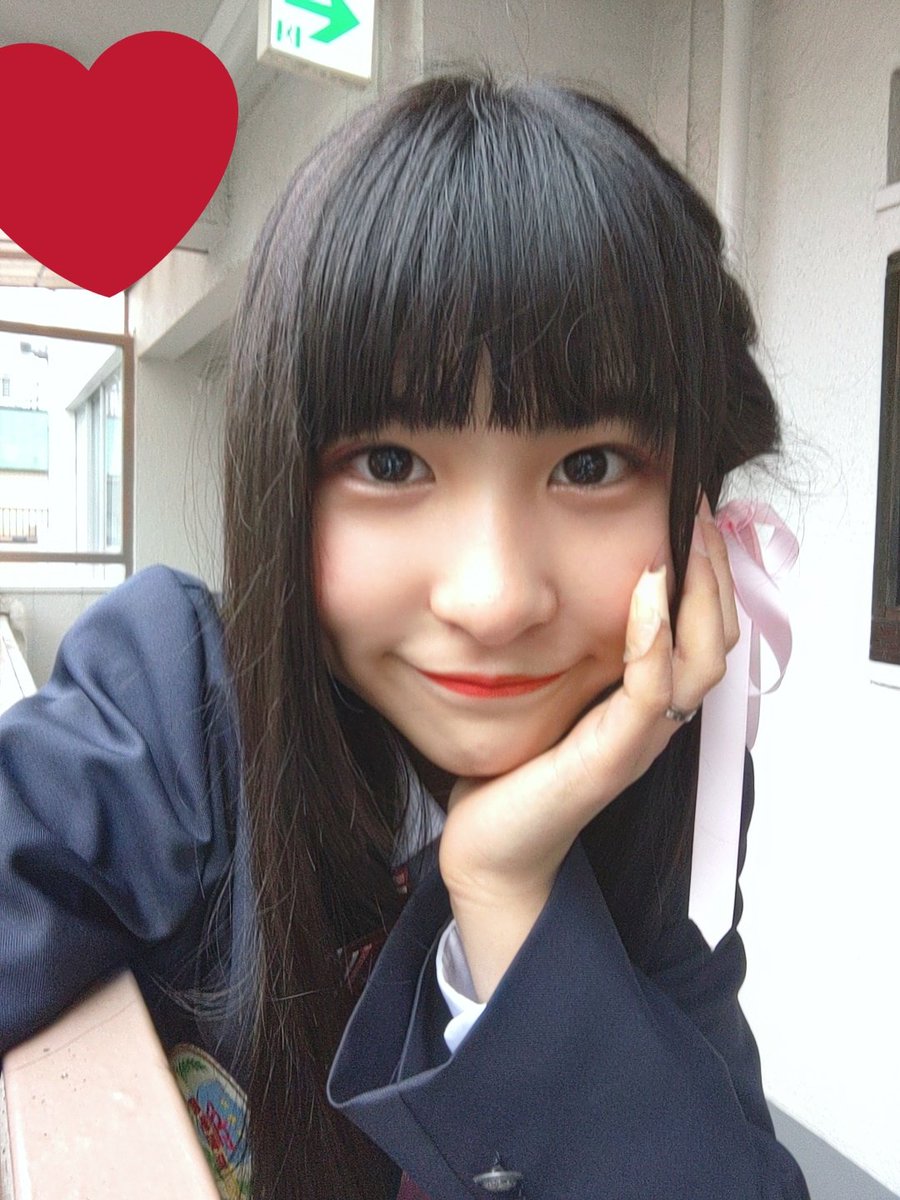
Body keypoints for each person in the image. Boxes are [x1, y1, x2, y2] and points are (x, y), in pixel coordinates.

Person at [0, 74, 809, 1199]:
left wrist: (510, 895)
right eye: (391, 464)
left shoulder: (667, 781)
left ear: (699, 513)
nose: (493, 599)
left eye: (589, 466)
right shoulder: (172, 706)